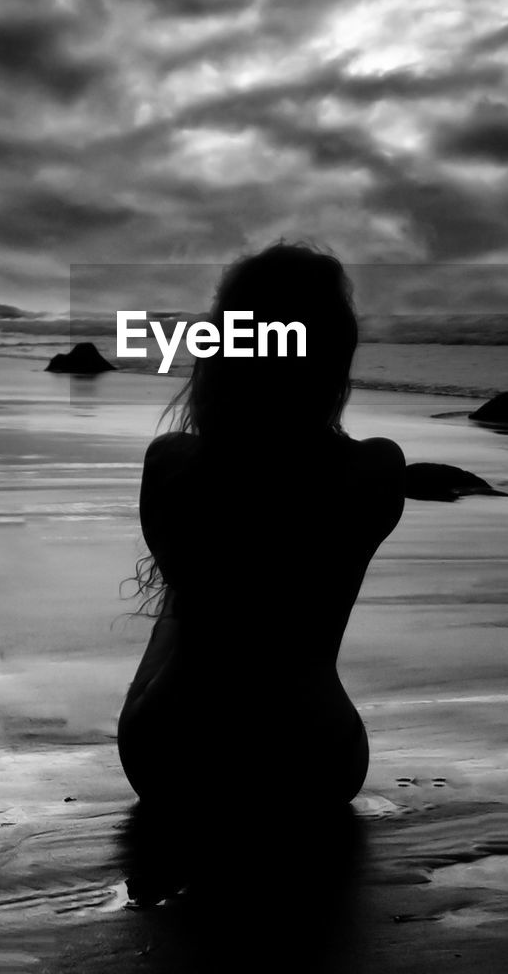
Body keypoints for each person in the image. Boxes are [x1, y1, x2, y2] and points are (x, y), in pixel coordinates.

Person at [117, 243, 405, 808]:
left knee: (183, 606)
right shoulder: (375, 468)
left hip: (170, 759)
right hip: (313, 762)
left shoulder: (171, 462)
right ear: (333, 352)